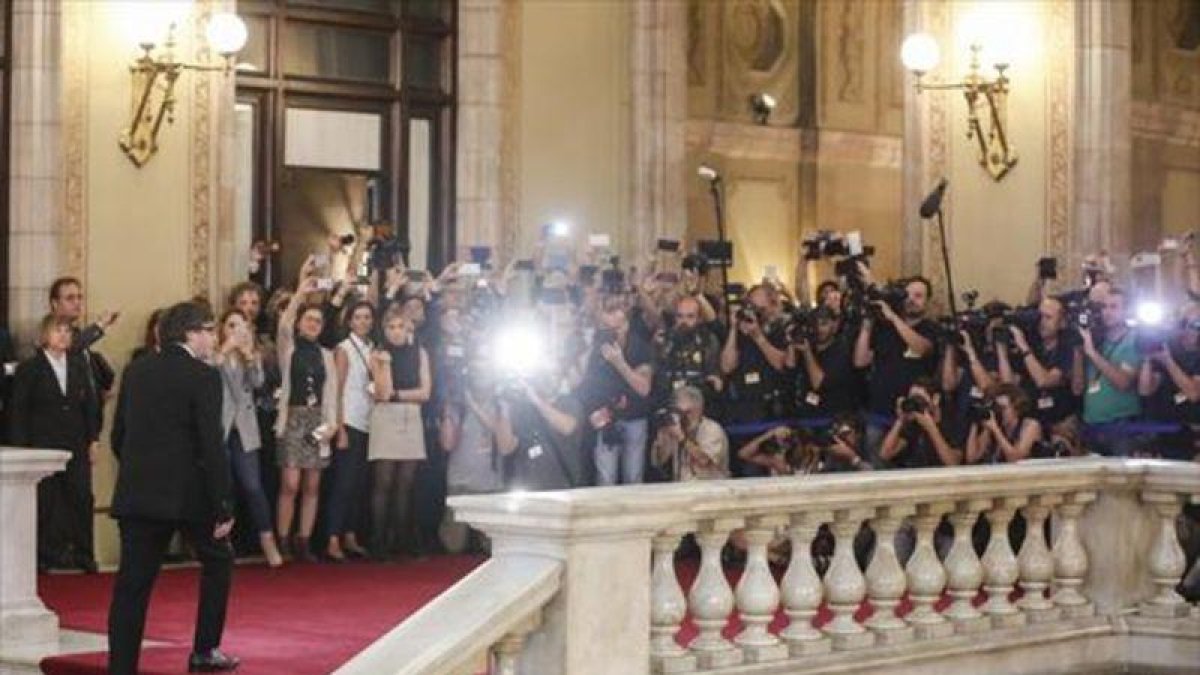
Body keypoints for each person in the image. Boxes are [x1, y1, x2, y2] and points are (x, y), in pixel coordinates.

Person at [107, 302, 239, 674]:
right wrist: (223, 504)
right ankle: (205, 649)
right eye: (209, 330)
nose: (214, 338)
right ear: (190, 333)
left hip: (138, 495)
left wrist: (142, 471)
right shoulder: (204, 376)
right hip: (189, 496)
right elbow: (211, 445)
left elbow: (119, 436)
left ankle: (121, 668)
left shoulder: (136, 371)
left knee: (131, 586)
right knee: (219, 560)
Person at [10, 314, 100, 573]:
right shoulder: (30, 369)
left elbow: (90, 406)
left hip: (75, 443)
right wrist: (22, 448)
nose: (63, 335)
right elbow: (19, 411)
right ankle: (43, 556)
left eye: (67, 331)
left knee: (81, 498)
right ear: (44, 335)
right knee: (45, 501)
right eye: (57, 330)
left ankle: (84, 554)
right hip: (42, 444)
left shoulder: (79, 366)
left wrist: (93, 439)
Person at [273, 269, 339, 562]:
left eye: (318, 321)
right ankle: (283, 538)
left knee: (313, 485)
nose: (313, 324)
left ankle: (304, 539)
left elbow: (332, 393)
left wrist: (331, 424)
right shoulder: (289, 349)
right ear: (300, 323)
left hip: (318, 420)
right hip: (293, 419)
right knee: (290, 484)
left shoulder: (326, 355)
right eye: (308, 319)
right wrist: (301, 291)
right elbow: (284, 324)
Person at [214, 309, 282, 567]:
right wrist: (225, 350)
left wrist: (249, 357)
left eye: (241, 326)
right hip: (220, 428)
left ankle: (267, 539)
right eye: (231, 325)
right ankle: (223, 542)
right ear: (222, 329)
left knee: (253, 486)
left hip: (244, 428)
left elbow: (258, 383)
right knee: (224, 487)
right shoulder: (214, 354)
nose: (236, 331)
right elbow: (207, 376)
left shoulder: (250, 355)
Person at [368, 306, 432, 558]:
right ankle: (378, 542)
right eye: (391, 327)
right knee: (383, 482)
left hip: (412, 418)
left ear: (409, 329)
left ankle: (402, 542)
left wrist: (397, 395)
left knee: (406, 483)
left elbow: (425, 393)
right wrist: (385, 366)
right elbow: (382, 393)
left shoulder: (420, 352)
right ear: (384, 330)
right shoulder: (378, 354)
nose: (396, 332)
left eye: (401, 327)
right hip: (385, 418)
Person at [854, 275, 939, 461]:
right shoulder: (884, 328)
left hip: (913, 415)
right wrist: (867, 325)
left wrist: (893, 317)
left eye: (918, 296)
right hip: (879, 412)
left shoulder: (930, 328)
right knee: (876, 466)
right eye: (907, 295)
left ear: (927, 302)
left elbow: (921, 348)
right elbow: (860, 361)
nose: (911, 300)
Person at [580, 297, 655, 485]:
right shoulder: (596, 348)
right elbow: (583, 382)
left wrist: (619, 363)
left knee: (633, 476)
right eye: (607, 327)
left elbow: (644, 388)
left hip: (635, 417)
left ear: (627, 324)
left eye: (617, 327)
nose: (613, 333)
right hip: (607, 417)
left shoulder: (640, 347)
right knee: (606, 478)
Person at [326, 301, 376, 561]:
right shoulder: (344, 349)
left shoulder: (373, 348)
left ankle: (350, 535)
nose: (363, 322)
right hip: (349, 420)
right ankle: (332, 538)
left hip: (369, 420)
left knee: (358, 484)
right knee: (343, 484)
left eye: (367, 317)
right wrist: (340, 427)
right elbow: (336, 389)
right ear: (349, 321)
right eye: (358, 317)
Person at [495, 361, 585, 492]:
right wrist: (504, 409)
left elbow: (567, 427)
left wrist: (535, 399)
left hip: (562, 488)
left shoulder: (570, 403)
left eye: (554, 374)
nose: (548, 379)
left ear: (561, 378)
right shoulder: (522, 408)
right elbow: (506, 448)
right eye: (544, 374)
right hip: (527, 489)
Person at [1073, 288, 1143, 456]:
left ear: (1127, 311)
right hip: (1092, 423)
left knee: (1121, 472)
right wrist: (1078, 350)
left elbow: (1123, 382)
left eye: (1114, 307)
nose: (1107, 312)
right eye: (1104, 307)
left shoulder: (1134, 339)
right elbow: (1077, 388)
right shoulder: (1096, 340)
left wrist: (1092, 353)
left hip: (1120, 425)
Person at [1137, 303, 1200, 461]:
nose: (1189, 329)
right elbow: (1145, 389)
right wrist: (1147, 358)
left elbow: (1193, 393)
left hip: (1193, 434)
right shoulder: (1169, 348)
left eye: (1195, 324)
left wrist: (1168, 361)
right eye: (1184, 323)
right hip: (1166, 432)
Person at [879, 378, 963, 468]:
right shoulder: (913, 423)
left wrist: (931, 428)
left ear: (935, 399)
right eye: (912, 399)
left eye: (919, 399)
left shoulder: (953, 420)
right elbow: (885, 454)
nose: (916, 404)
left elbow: (952, 462)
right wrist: (901, 419)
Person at [651, 386, 730, 481]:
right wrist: (664, 436)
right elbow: (660, 461)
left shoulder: (712, 429)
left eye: (685, 412)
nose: (681, 415)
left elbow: (705, 461)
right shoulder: (678, 427)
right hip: (682, 485)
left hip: (710, 484)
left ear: (697, 410)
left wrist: (682, 438)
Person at [791, 306, 857, 418]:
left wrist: (807, 352)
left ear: (835, 325)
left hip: (833, 416)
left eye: (824, 324)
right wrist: (791, 340)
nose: (819, 329)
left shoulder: (842, 350)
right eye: (814, 324)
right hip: (807, 414)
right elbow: (789, 366)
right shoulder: (808, 344)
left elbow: (819, 384)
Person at [964, 384, 1043, 464]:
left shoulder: (1030, 425)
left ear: (1016, 408)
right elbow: (972, 458)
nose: (1000, 412)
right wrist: (975, 422)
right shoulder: (995, 425)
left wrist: (996, 430)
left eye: (1003, 408)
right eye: (997, 408)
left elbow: (1016, 459)